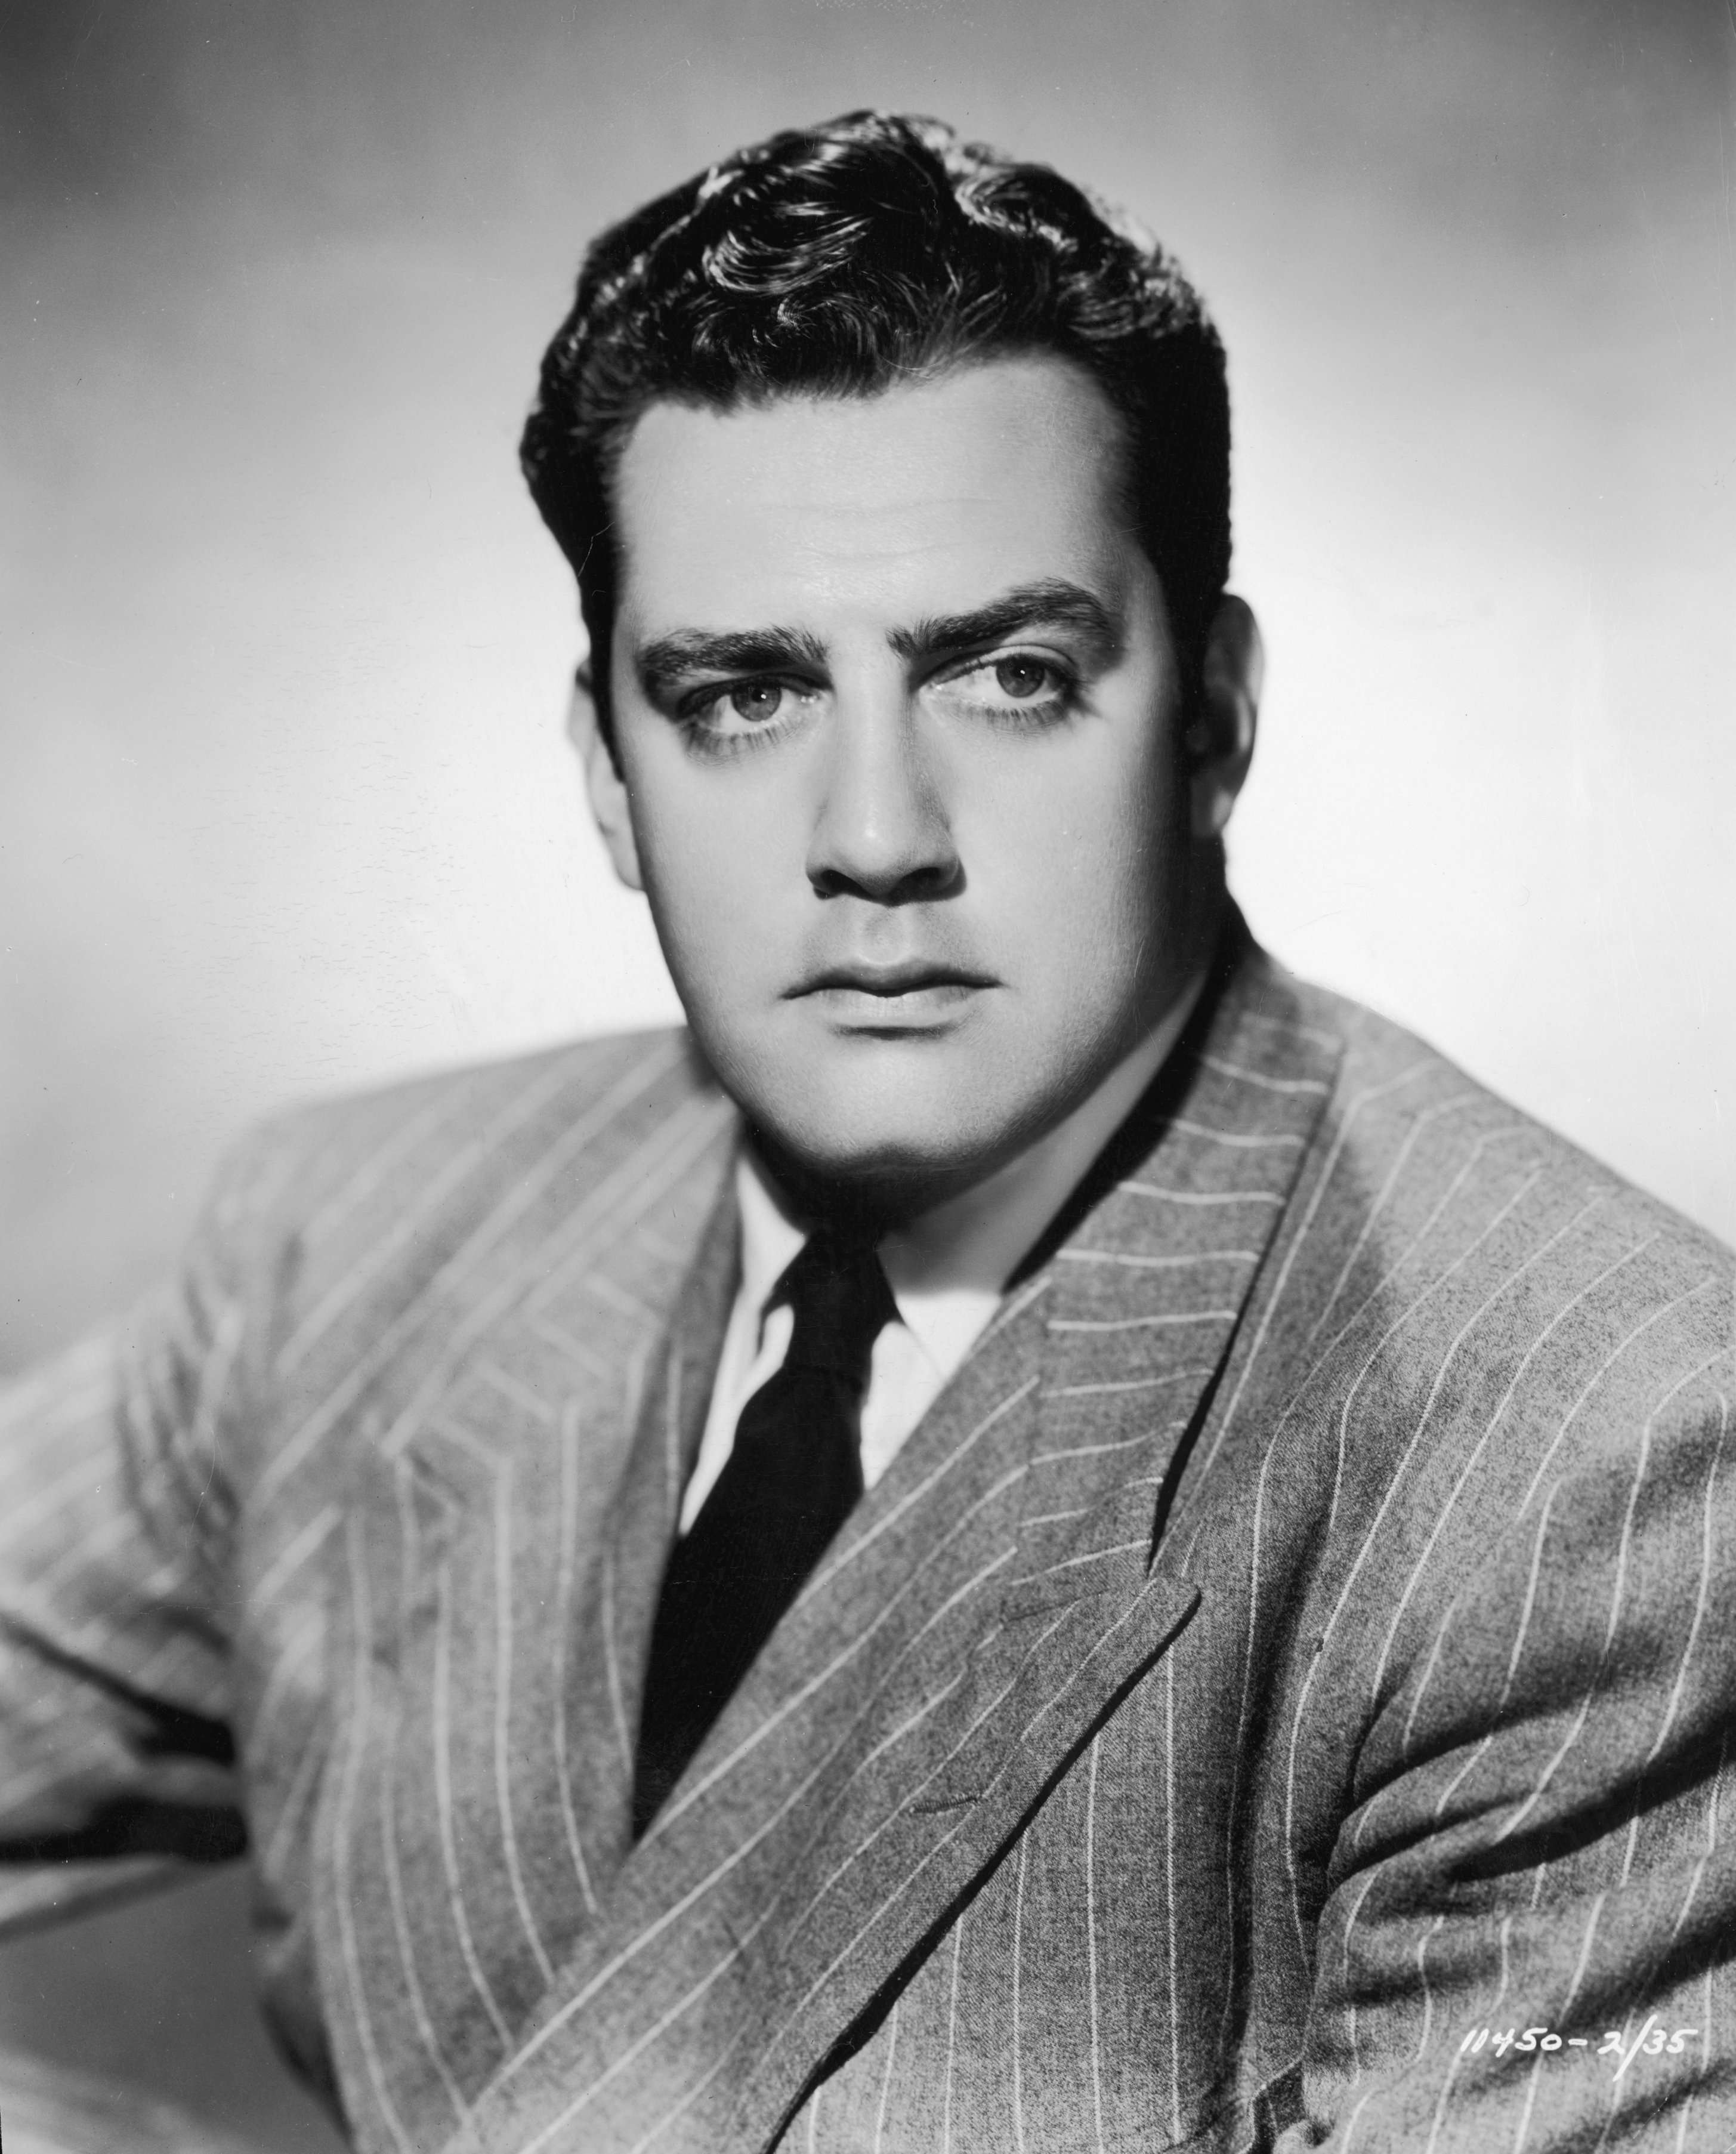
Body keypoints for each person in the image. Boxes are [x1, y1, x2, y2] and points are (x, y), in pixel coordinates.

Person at [0, 109, 1730, 2154]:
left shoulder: (1605, 1466)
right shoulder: (358, 1239)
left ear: (1216, 717)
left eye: (1006, 673)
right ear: (605, 771)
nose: (875, 838)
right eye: (742, 694)